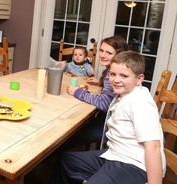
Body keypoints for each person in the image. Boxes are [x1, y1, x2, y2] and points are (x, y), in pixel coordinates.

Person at [52, 51, 166, 184]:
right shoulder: (124, 94)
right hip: (114, 154)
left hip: (134, 164)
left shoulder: (140, 102)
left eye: (124, 76)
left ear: (139, 78)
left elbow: (153, 147)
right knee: (67, 160)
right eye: (113, 74)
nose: (116, 80)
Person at [65, 35, 129, 146]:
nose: (103, 55)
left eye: (109, 53)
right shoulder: (121, 71)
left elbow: (103, 103)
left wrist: (77, 92)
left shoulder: (111, 75)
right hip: (113, 120)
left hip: (109, 126)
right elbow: (112, 92)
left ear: (119, 55)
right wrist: (101, 82)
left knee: (66, 135)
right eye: (101, 51)